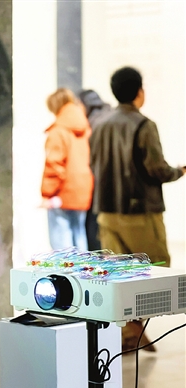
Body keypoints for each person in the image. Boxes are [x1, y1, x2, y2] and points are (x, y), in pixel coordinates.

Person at [90, 66, 186, 351]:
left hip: (106, 210)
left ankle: (128, 332)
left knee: (117, 275)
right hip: (139, 211)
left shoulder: (100, 125)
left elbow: (94, 164)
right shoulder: (144, 125)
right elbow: (156, 169)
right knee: (156, 268)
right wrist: (179, 171)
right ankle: (133, 328)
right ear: (139, 92)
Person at [41, 88, 94, 251]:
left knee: (61, 240)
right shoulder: (86, 129)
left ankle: (64, 268)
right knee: (79, 234)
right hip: (83, 190)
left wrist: (47, 194)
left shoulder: (58, 131)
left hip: (62, 193)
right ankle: (83, 268)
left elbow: (54, 164)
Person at [78, 89, 112, 250]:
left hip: (97, 180)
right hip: (115, 182)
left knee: (93, 225)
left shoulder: (91, 122)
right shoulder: (110, 115)